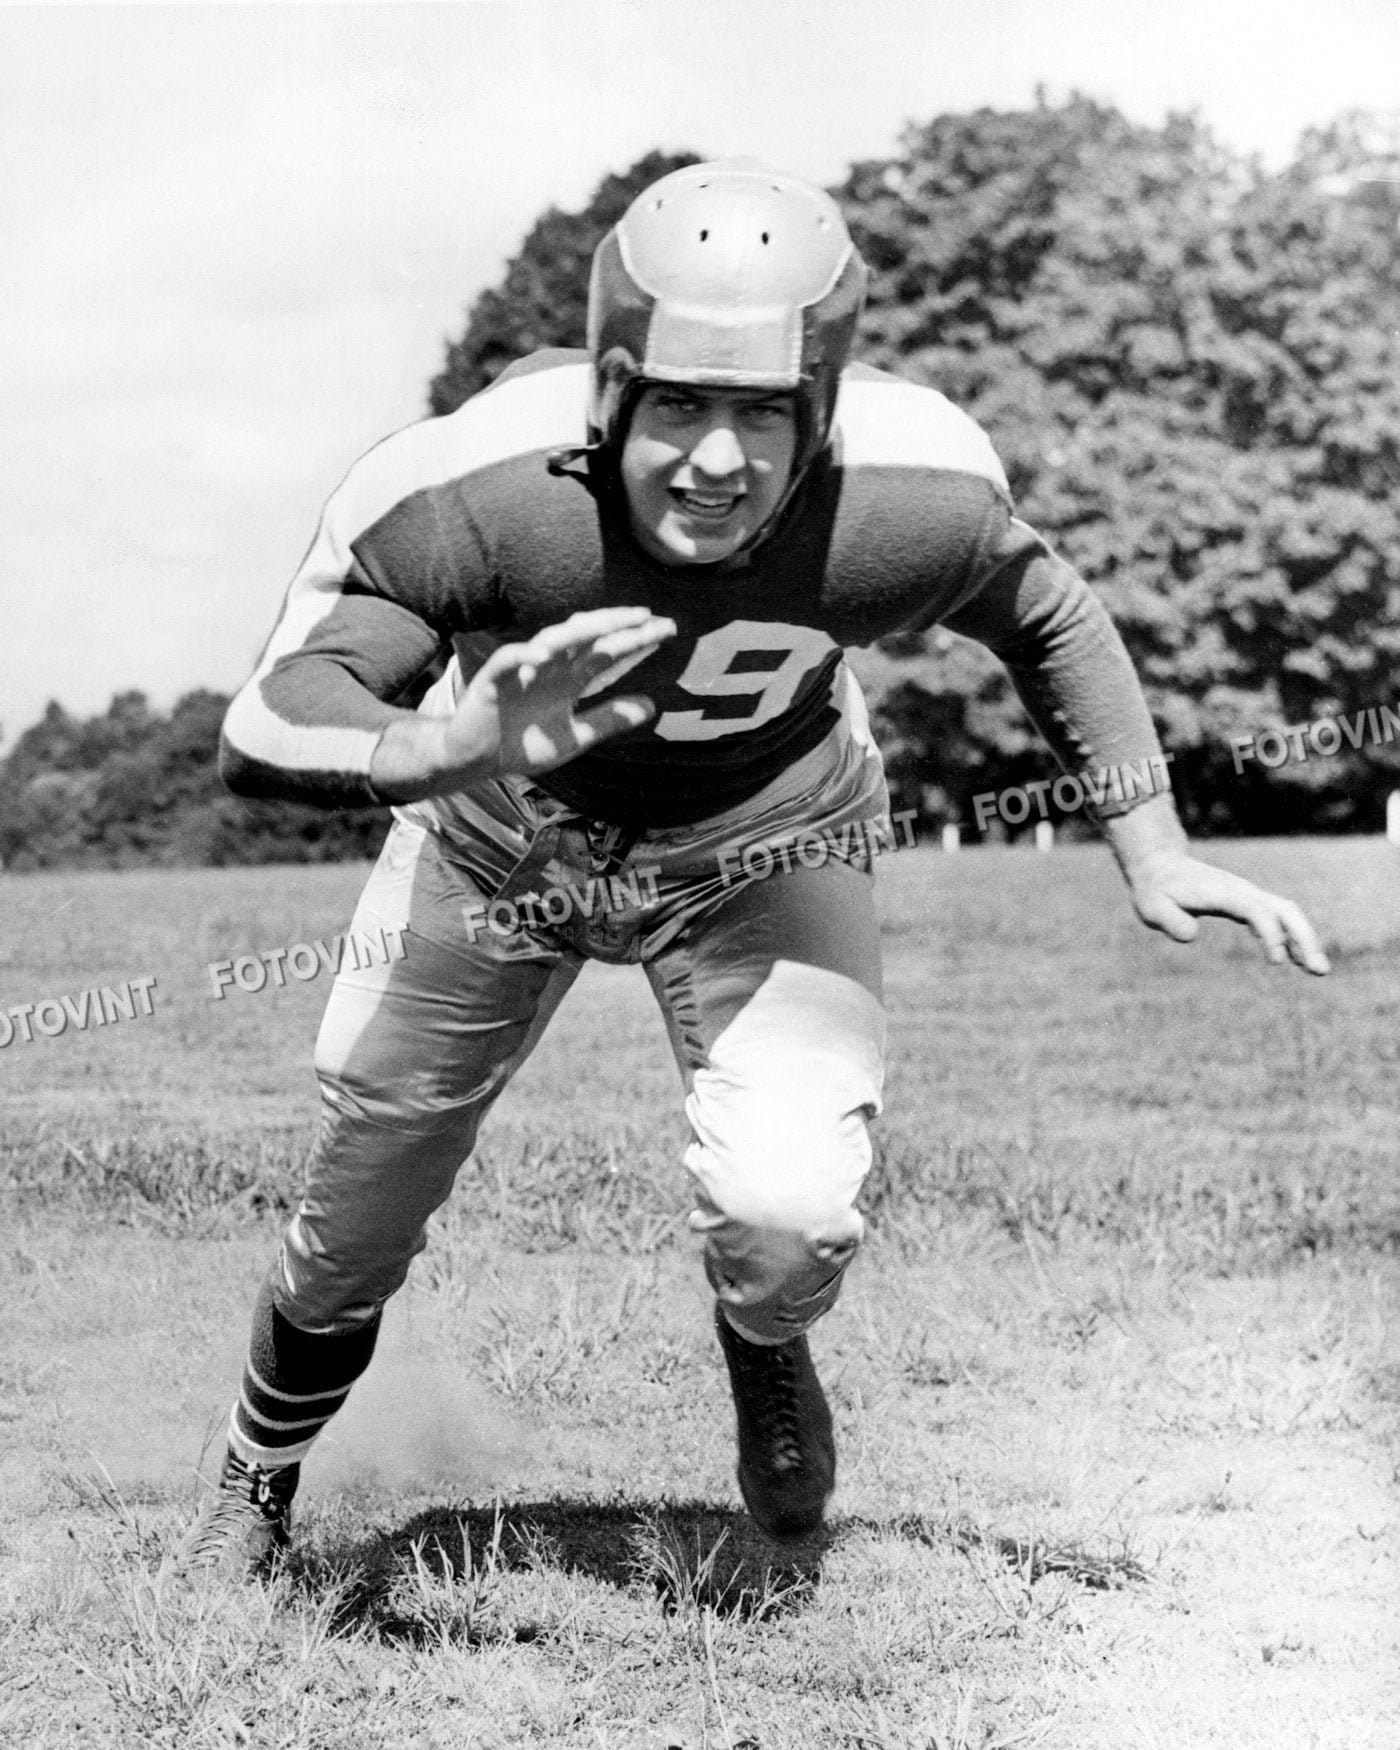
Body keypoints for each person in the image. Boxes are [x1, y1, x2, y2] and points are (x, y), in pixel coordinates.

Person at [179, 158, 1328, 1576]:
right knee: (368, 1184)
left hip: (766, 832)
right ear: (610, 391)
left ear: (823, 409)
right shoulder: (479, 490)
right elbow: (269, 719)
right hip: (498, 837)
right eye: (677, 405)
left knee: (788, 1211)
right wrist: (441, 745)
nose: (716, 460)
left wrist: (1152, 847)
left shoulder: (906, 497)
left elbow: (1048, 615)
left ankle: (765, 1339)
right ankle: (256, 1474)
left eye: (762, 412)